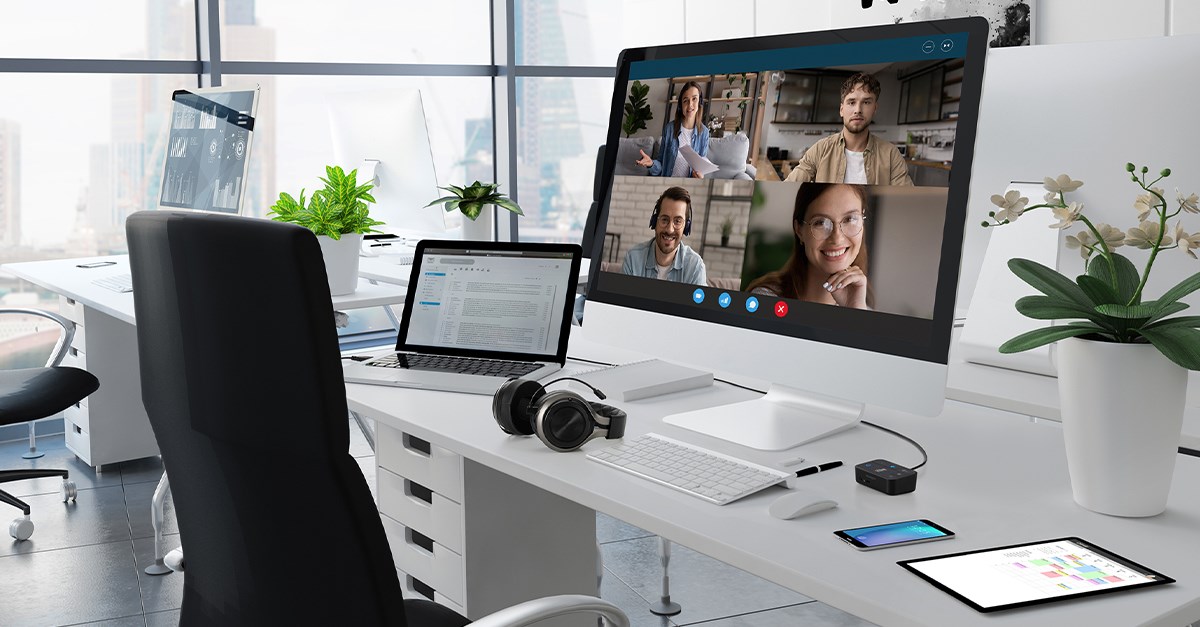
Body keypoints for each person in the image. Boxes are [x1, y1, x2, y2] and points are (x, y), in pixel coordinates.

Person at [746, 183, 871, 309]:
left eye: (850, 219)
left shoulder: (863, 310)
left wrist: (855, 313)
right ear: (799, 230)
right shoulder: (765, 300)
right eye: (820, 222)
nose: (837, 239)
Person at [785, 72, 913, 186]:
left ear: (875, 109)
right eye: (852, 102)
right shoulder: (820, 149)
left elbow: (906, 201)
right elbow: (788, 188)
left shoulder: (891, 155)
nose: (858, 110)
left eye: (866, 102)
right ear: (841, 109)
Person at [622, 186, 708, 285]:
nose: (670, 229)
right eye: (664, 219)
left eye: (677, 221)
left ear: (686, 226)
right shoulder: (633, 258)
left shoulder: (695, 267)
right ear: (655, 221)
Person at [635, 81, 711, 178]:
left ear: (699, 102)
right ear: (681, 105)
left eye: (694, 99)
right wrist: (651, 164)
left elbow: (701, 167)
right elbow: (660, 165)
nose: (690, 105)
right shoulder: (669, 129)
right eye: (685, 100)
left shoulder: (704, 133)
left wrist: (700, 176)